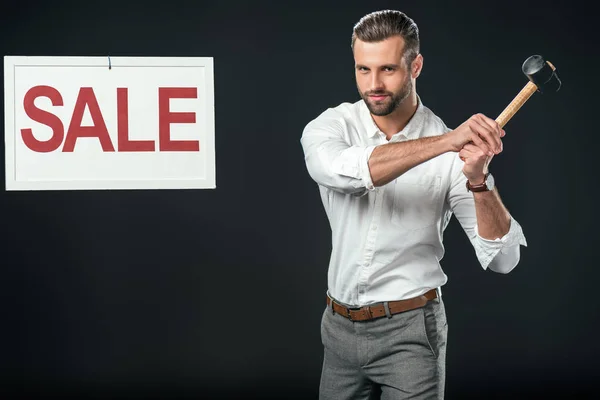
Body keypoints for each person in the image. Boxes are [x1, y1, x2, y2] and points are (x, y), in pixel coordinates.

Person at [299, 9, 528, 400]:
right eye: (363, 69)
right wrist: (446, 143)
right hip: (337, 329)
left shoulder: (454, 152)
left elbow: (504, 259)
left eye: (387, 69)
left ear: (415, 65)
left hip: (411, 330)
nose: (373, 84)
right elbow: (348, 173)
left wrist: (478, 181)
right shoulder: (330, 127)